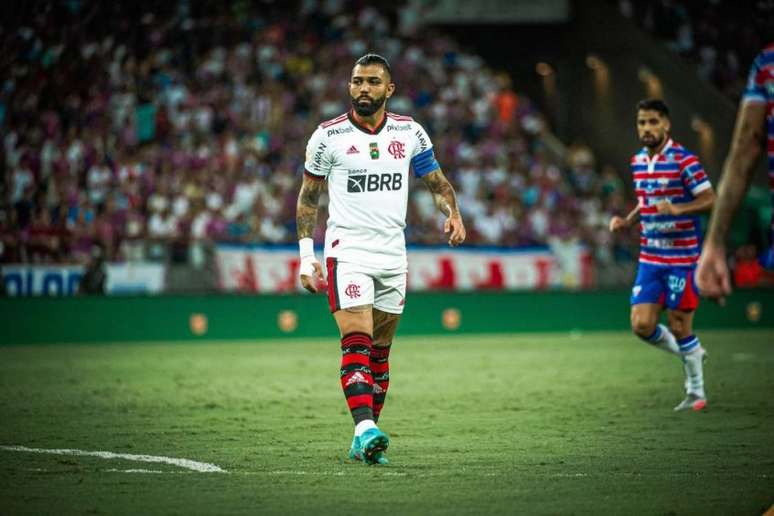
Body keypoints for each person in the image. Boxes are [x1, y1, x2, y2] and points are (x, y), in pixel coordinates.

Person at [295, 54, 466, 465]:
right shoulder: (327, 136)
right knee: (356, 341)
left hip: (393, 255)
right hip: (347, 253)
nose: (363, 89)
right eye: (357, 82)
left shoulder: (410, 133)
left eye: (372, 82)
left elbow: (438, 184)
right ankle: (365, 427)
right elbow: (308, 199)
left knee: (380, 355)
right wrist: (306, 256)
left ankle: (362, 438)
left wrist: (453, 213)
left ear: (389, 89)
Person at [609, 99, 716, 411]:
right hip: (651, 257)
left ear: (666, 124)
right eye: (642, 122)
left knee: (681, 325)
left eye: (653, 122)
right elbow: (648, 201)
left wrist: (679, 207)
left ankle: (696, 391)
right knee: (641, 325)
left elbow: (711, 198)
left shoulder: (685, 160)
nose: (646, 128)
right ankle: (692, 353)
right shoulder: (638, 161)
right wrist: (627, 221)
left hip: (683, 260)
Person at [696, 43, 774, 300]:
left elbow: (745, 151)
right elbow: (745, 150)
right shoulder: (766, 65)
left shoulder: (768, 63)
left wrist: (714, 242)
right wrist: (715, 242)